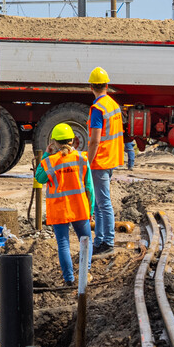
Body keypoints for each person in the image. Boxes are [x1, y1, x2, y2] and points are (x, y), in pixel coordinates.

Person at [33, 122, 95, 291]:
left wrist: (47, 154)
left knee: (63, 244)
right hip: (80, 208)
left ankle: (69, 280)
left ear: (54, 142)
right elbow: (89, 188)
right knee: (86, 241)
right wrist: (90, 210)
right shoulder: (82, 159)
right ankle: (85, 273)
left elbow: (39, 178)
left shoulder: (50, 162)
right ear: (73, 140)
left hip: (59, 210)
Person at [86, 66, 124, 255]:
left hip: (100, 160)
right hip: (111, 158)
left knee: (103, 203)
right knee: (100, 204)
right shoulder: (112, 104)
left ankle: (107, 241)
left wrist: (87, 162)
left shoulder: (97, 109)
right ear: (107, 85)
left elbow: (95, 140)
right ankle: (100, 240)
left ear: (91, 87)